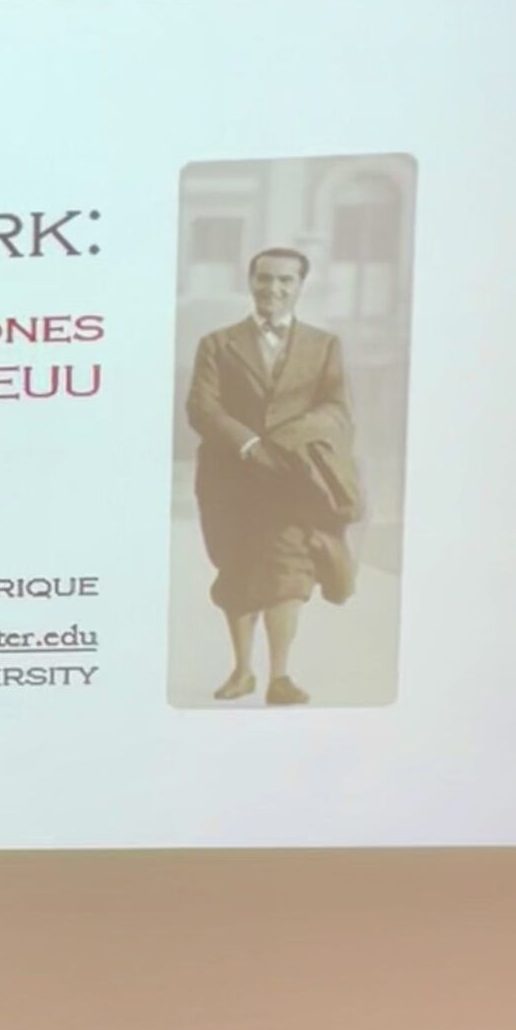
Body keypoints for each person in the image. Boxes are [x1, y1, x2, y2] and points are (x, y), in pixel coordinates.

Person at [185, 245, 361, 706]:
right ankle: (242, 671)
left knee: (289, 570)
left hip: (292, 479)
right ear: (251, 282)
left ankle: (279, 677)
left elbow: (336, 409)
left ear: (301, 287)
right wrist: (248, 444)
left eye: (286, 281)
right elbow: (202, 408)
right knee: (238, 568)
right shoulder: (217, 344)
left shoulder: (324, 346)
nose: (274, 289)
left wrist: (282, 444)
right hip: (230, 478)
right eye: (265, 279)